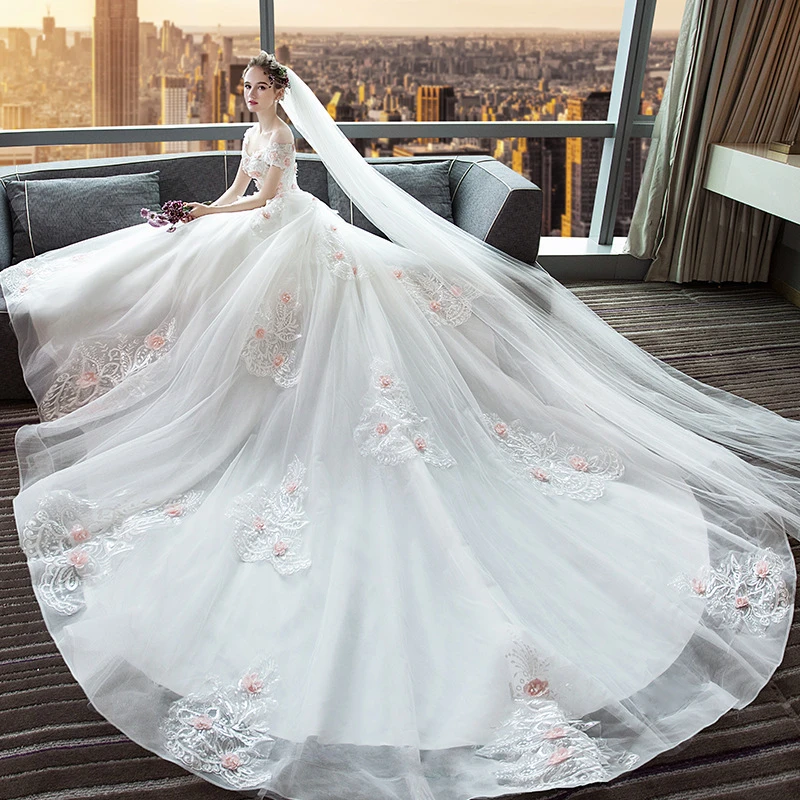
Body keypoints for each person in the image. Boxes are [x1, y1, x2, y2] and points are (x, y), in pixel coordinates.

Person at [0, 51, 798, 800]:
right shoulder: (253, 131)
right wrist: (203, 212)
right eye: (244, 89)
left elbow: (267, 203)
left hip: (286, 238)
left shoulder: (279, 137)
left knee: (311, 343)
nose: (249, 98)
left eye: (258, 88)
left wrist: (211, 212)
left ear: (281, 93)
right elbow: (243, 192)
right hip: (260, 233)